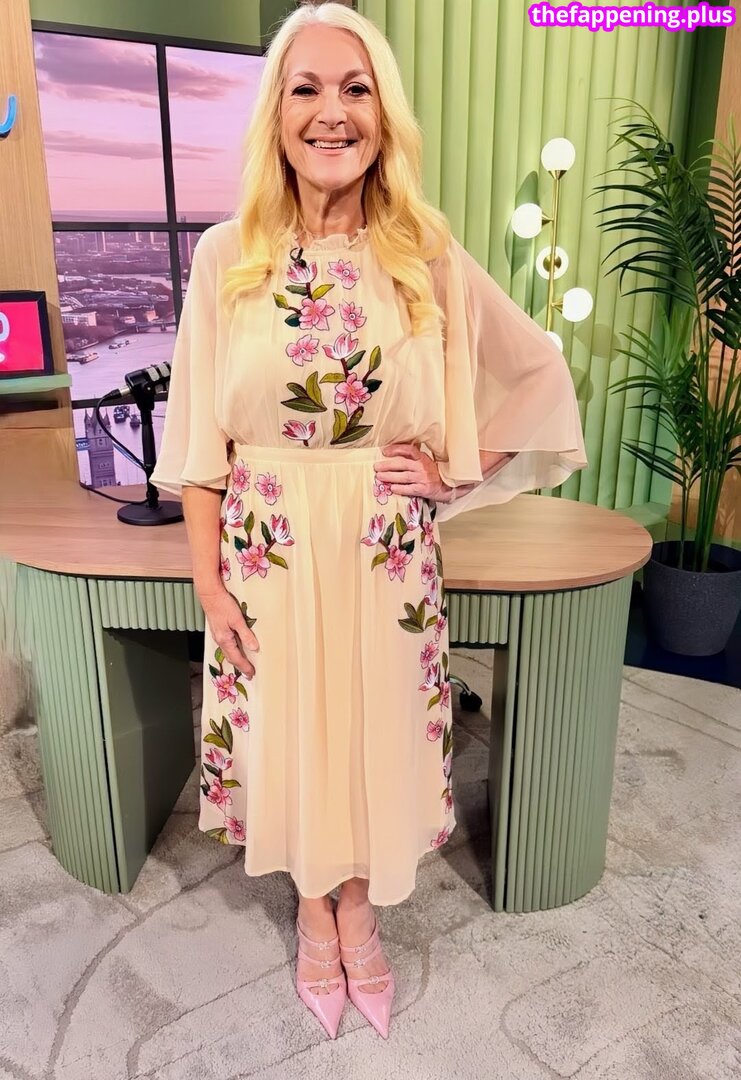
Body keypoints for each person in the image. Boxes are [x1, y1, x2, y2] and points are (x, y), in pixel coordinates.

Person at [150, 0, 588, 1042]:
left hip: (386, 549)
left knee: (375, 732)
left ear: (383, 115)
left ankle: (360, 909)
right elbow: (199, 446)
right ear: (277, 114)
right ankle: (315, 907)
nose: (332, 112)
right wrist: (209, 583)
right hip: (266, 548)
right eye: (306, 88)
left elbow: (532, 373)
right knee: (293, 733)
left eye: (356, 89)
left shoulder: (420, 251)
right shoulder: (226, 256)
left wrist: (451, 474)